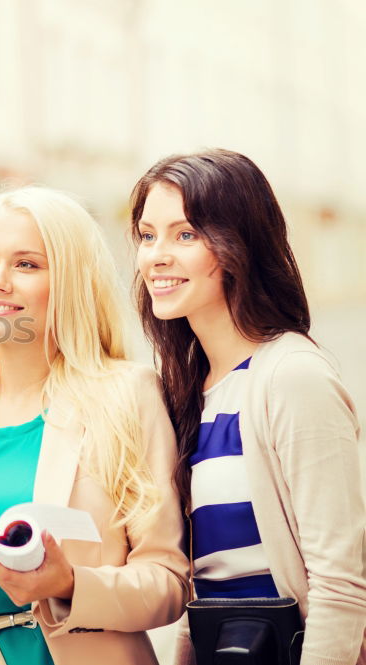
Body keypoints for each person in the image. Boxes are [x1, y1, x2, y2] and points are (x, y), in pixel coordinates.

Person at [0, 186, 190, 665]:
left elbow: (168, 581)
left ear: (69, 281)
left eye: (26, 264)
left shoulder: (128, 393)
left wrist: (70, 584)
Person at [131, 148, 366, 664]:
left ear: (239, 245)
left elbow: (341, 587)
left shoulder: (293, 376)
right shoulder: (188, 391)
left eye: (185, 234)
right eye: (148, 235)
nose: (156, 255)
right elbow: (209, 583)